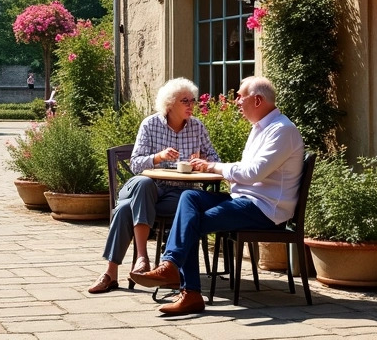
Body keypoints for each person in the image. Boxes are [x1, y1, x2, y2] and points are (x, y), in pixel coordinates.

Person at [130, 76, 305, 316]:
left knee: (190, 224)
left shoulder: (282, 131)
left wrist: (212, 167)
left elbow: (253, 172)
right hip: (243, 200)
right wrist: (218, 168)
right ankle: (173, 269)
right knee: (190, 198)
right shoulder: (261, 129)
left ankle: (185, 286)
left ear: (257, 100)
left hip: (264, 209)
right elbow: (245, 173)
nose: (237, 102)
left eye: (240, 97)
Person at [87, 78, 217, 297]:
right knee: (144, 183)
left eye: (192, 101)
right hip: (149, 188)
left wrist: (204, 159)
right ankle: (142, 256)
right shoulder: (150, 124)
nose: (191, 105)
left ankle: (111, 273)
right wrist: (158, 157)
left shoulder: (197, 127)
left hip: (178, 193)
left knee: (124, 209)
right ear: (170, 103)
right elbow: (136, 163)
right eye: (184, 100)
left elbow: (215, 158)